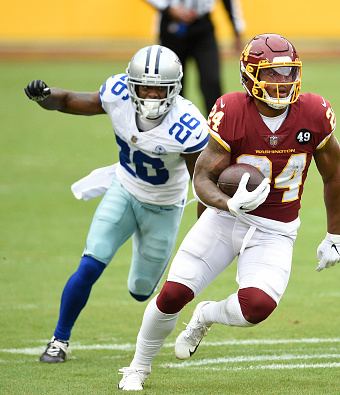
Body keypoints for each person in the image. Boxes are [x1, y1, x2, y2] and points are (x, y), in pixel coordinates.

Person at [117, 33, 340, 390]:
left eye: (288, 72)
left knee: (256, 308)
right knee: (173, 294)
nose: (282, 82)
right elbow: (202, 176)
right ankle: (138, 368)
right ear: (250, 75)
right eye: (271, 73)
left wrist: (335, 235)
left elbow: (332, 176)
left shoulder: (315, 113)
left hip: (276, 229)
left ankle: (206, 316)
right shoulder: (232, 110)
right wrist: (227, 203)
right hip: (227, 219)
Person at [24, 45, 210, 363]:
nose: (151, 95)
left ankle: (146, 260)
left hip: (164, 208)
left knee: (140, 291)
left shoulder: (188, 124)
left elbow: (201, 182)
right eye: (144, 87)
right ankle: (59, 340)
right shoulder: (117, 94)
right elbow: (68, 100)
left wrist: (206, 230)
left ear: (175, 89)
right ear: (130, 84)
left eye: (159, 89)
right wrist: (45, 96)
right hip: (123, 190)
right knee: (90, 264)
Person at [144, 0, 246, 112]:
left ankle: (218, 126)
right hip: (171, 26)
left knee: (212, 81)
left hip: (202, 26)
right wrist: (168, 8)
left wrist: (237, 30)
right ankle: (170, 125)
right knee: (171, 84)